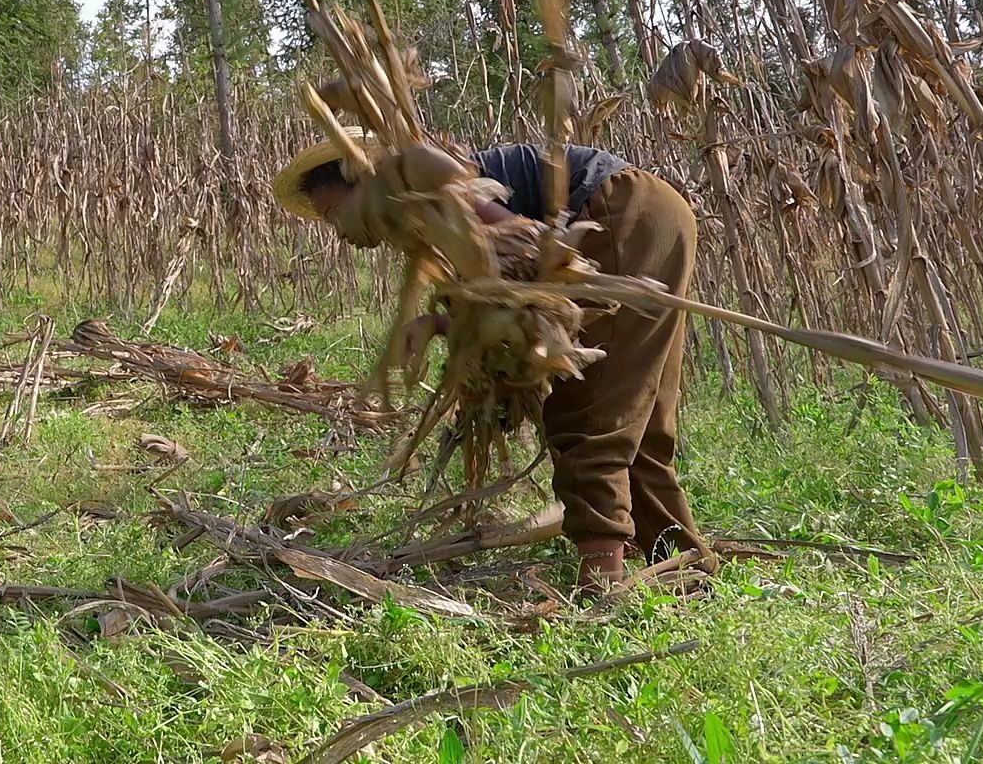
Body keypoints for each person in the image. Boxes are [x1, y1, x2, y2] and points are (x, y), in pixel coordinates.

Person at [272, 134, 707, 591]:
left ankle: (601, 584)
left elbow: (530, 246)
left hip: (620, 213)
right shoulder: (419, 217)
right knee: (640, 413)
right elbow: (499, 291)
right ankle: (678, 560)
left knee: (591, 414)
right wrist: (439, 326)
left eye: (336, 213)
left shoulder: (428, 185)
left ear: (362, 181)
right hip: (652, 215)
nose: (340, 230)